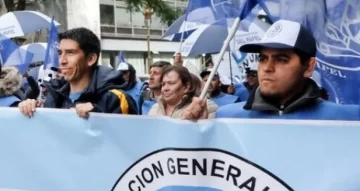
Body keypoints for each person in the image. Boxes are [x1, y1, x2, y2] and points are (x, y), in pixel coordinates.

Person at [218, 20, 360, 120]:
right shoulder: (227, 118)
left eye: (281, 59)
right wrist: (198, 130)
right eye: (263, 58)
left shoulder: (346, 120)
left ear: (309, 66)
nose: (267, 68)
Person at [18, 28, 135, 119]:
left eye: (70, 53)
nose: (62, 61)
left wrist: (98, 118)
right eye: (60, 53)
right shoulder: (54, 94)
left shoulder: (114, 98)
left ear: (91, 59)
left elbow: (128, 142)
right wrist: (31, 111)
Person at [148, 65, 217, 120]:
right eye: (163, 84)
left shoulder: (205, 106)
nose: (165, 89)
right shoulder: (155, 108)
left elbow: (211, 134)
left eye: (171, 83)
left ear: (186, 87)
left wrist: (201, 122)